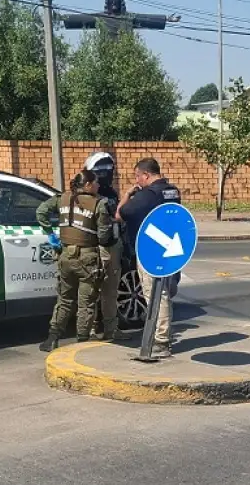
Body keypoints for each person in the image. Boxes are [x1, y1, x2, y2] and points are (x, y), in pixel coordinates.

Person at [35, 170, 117, 351]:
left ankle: (52, 338)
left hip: (65, 256)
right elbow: (104, 237)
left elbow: (41, 212)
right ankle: (81, 342)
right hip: (88, 258)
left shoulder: (61, 198)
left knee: (64, 299)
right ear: (87, 184)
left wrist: (51, 235)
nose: (98, 186)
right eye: (95, 183)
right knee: (85, 303)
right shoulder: (99, 204)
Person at [117, 157, 181, 358]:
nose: (137, 181)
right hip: (170, 248)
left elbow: (121, 213)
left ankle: (161, 341)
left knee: (154, 294)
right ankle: (162, 336)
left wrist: (129, 194)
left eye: (137, 176)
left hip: (150, 250)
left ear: (146, 175)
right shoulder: (172, 191)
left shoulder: (147, 195)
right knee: (163, 293)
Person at [83, 152, 132, 342]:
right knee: (94, 291)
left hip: (111, 245)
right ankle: (93, 330)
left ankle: (110, 329)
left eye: (109, 170)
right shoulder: (87, 195)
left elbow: (118, 220)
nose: (107, 174)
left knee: (109, 291)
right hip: (95, 247)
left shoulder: (110, 193)